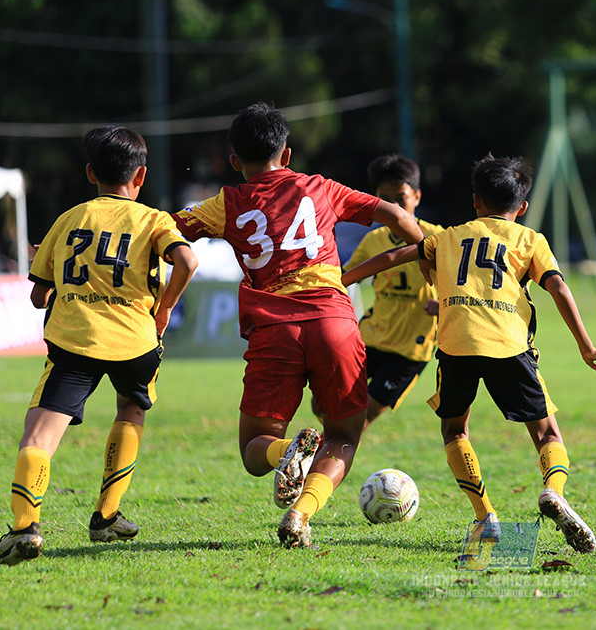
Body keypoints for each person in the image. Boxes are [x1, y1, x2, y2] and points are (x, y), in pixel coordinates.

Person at [172, 102, 423, 548]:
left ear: (234, 160)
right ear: (286, 155)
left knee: (255, 448)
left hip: (275, 330)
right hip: (334, 324)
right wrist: (425, 253)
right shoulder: (320, 187)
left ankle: (283, 451)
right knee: (343, 436)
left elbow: (162, 233)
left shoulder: (225, 203)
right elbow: (399, 218)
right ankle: (301, 514)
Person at [341, 155, 596, 553]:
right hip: (509, 345)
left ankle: (485, 515)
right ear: (522, 206)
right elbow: (558, 287)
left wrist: (342, 279)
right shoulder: (530, 240)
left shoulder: (449, 236)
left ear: (475, 201)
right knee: (547, 433)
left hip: (456, 346)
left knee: (455, 431)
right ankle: (553, 491)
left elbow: (392, 257)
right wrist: (586, 345)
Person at [0, 126, 198, 567]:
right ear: (140, 176)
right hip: (136, 341)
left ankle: (25, 527)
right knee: (131, 409)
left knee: (39, 434)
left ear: (91, 173)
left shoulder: (67, 220)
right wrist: (164, 308)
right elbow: (187, 260)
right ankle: (107, 515)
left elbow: (38, 298)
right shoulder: (154, 219)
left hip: (75, 341)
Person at [311, 154, 444, 433]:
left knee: (359, 419)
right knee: (320, 402)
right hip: (370, 338)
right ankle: (329, 443)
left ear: (417, 196)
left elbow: (463, 284)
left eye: (401, 199)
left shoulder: (438, 239)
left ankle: (323, 453)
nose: (394, 208)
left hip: (409, 352)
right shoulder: (373, 241)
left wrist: (443, 304)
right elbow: (342, 279)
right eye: (386, 200)